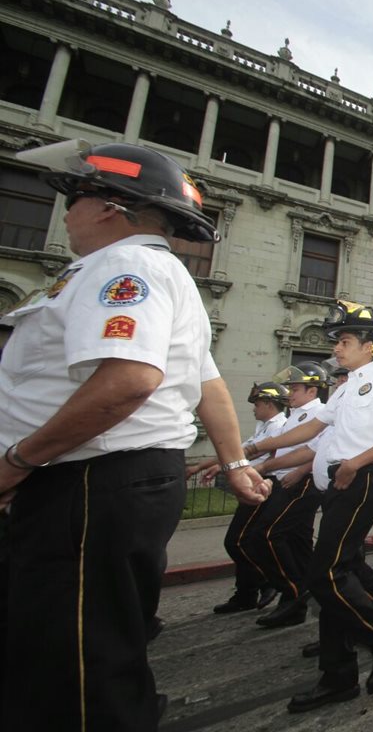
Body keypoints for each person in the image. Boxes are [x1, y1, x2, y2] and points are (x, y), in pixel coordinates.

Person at [0, 139, 270, 731]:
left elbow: (128, 380)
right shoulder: (154, 272)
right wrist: (234, 463)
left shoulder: (128, 267)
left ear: (108, 205)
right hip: (107, 477)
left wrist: (18, 460)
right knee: (90, 648)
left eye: (74, 198)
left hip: (91, 478)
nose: (65, 213)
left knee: (73, 669)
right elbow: (210, 385)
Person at [244, 300, 373, 711]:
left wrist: (355, 462)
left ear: (371, 345)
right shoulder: (344, 388)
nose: (336, 348)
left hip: (361, 481)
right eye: (337, 341)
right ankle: (338, 675)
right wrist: (247, 448)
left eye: (345, 340)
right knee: (339, 571)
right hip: (341, 485)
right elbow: (308, 430)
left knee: (326, 574)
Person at [247, 361, 332, 628]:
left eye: (295, 388)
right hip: (285, 481)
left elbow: (317, 449)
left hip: (303, 481)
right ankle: (310, 595)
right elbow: (277, 449)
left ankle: (293, 592)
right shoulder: (294, 416)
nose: (289, 393)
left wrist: (290, 470)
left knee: (269, 534)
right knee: (299, 543)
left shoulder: (320, 413)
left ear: (312, 391)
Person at [202, 382, 290, 615]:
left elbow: (250, 453)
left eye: (258, 404)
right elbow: (237, 450)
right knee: (242, 540)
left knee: (239, 541)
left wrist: (222, 466)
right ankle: (246, 593)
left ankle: (266, 581)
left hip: (265, 485)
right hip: (252, 484)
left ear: (270, 404)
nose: (254, 409)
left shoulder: (278, 427)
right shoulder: (262, 427)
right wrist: (205, 465)